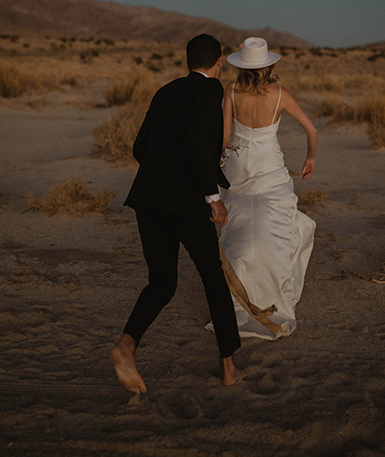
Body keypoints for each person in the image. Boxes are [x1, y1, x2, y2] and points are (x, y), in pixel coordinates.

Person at [110, 34, 244, 393]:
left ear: (187, 62)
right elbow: (200, 147)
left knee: (162, 281)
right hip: (187, 203)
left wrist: (162, 175)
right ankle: (230, 369)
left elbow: (140, 147)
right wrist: (213, 198)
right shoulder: (211, 91)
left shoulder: (165, 91)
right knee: (213, 279)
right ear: (217, 63)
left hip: (148, 199)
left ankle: (126, 346)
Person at [207, 37, 317, 340]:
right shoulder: (280, 94)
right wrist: (309, 158)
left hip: (238, 168)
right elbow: (311, 129)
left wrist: (214, 164)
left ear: (241, 64)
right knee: (274, 224)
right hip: (269, 170)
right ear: (269, 65)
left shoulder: (230, 90)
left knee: (240, 225)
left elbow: (227, 136)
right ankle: (273, 287)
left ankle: (238, 291)